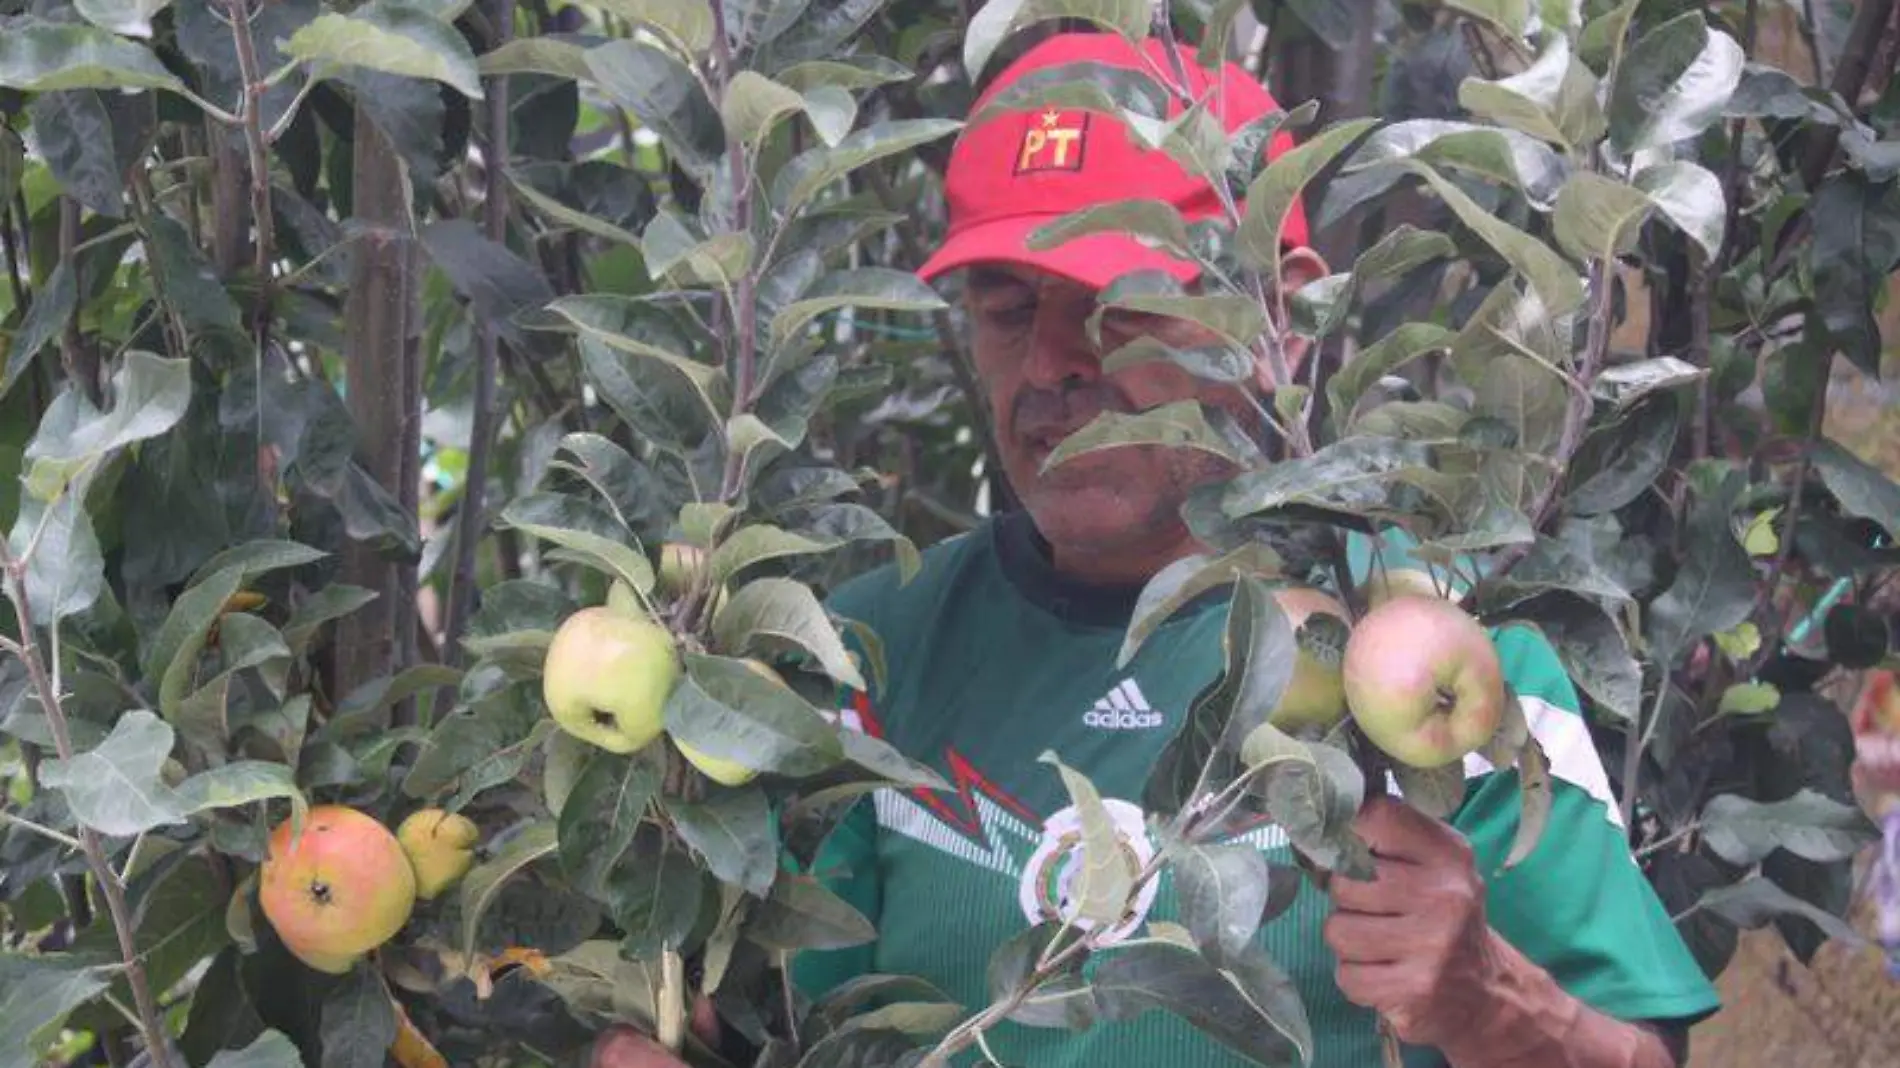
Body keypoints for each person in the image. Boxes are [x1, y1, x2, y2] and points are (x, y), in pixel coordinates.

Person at [594, 28, 1721, 1068]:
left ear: (1275, 321)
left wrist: (1495, 1004)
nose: (1048, 366)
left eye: (1115, 304)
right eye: (1004, 309)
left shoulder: (1432, 643)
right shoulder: (860, 662)